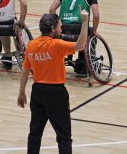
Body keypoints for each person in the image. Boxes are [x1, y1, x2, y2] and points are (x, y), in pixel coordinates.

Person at [18, 11, 88, 154]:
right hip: (56, 93)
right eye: (60, 27)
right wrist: (85, 22)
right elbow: (80, 45)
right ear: (53, 28)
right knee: (64, 137)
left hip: (37, 92)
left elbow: (25, 70)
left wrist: (21, 92)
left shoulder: (31, 45)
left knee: (34, 134)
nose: (61, 30)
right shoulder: (57, 45)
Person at [48, 0, 99, 75]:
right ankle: (83, 62)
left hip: (64, 29)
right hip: (80, 28)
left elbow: (51, 9)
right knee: (92, 35)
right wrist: (94, 30)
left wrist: (58, 24)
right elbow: (96, 15)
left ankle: (66, 58)